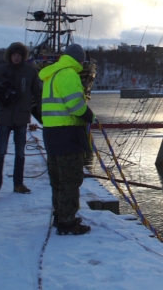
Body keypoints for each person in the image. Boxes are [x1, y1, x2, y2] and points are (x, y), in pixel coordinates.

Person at [39, 43, 94, 235]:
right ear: (80, 60)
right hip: (68, 131)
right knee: (71, 178)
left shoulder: (51, 73)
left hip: (52, 133)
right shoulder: (69, 73)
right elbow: (74, 104)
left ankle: (60, 215)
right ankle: (67, 222)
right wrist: (88, 115)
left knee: (58, 178)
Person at [0, 42, 42, 199]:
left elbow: (38, 92)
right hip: (4, 116)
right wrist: (0, 96)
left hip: (21, 116)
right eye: (14, 55)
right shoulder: (1, 71)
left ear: (23, 57)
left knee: (20, 153)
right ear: (10, 56)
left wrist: (42, 112)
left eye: (19, 55)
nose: (16, 58)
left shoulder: (30, 71)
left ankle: (18, 184)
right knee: (0, 152)